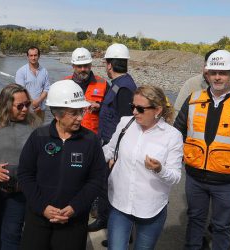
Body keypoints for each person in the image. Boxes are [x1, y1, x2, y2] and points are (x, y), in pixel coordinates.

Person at [174, 49, 230, 250]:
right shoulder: (193, 100)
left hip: (227, 182)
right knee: (194, 220)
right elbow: (176, 134)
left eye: (223, 73)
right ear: (207, 74)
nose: (218, 77)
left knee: (221, 226)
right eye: (214, 73)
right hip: (195, 178)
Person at [18, 80, 106, 250]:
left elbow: (97, 179)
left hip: (73, 223)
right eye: (74, 113)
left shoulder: (91, 141)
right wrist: (42, 207)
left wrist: (75, 207)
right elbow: (25, 174)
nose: (80, 117)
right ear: (57, 114)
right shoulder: (39, 137)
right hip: (38, 220)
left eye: (81, 111)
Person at [103, 85, 183, 249]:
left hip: (151, 208)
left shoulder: (172, 136)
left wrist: (159, 169)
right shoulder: (125, 123)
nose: (134, 112)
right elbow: (110, 149)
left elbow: (175, 177)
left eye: (140, 109)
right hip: (120, 202)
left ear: (157, 110)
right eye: (132, 106)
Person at [0, 83, 41, 250]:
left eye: (27, 104)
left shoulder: (34, 123)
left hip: (20, 191)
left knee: (12, 233)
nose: (25, 109)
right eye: (19, 106)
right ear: (6, 105)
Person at [89, 43, 138, 234]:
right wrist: (99, 107)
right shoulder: (119, 85)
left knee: (115, 189)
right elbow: (115, 112)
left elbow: (126, 123)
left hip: (114, 149)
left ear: (109, 65)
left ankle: (116, 228)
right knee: (105, 185)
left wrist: (116, 155)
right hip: (108, 145)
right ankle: (104, 219)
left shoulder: (125, 88)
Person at [174, 48, 230, 115]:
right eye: (208, 68)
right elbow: (178, 112)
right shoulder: (191, 84)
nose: (217, 77)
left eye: (222, 72)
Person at [65, 47, 108, 134]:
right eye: (79, 66)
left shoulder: (103, 84)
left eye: (86, 65)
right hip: (69, 134)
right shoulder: (64, 84)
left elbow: (112, 109)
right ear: (73, 66)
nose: (83, 69)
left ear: (90, 65)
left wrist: (100, 106)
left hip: (93, 135)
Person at [15, 46, 50, 121]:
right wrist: (32, 103)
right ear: (27, 56)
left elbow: (46, 89)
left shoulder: (44, 71)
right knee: (27, 131)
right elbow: (21, 91)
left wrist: (38, 101)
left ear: (39, 56)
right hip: (26, 110)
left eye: (35, 55)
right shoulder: (21, 72)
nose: (33, 58)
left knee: (40, 130)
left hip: (41, 109)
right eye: (31, 55)